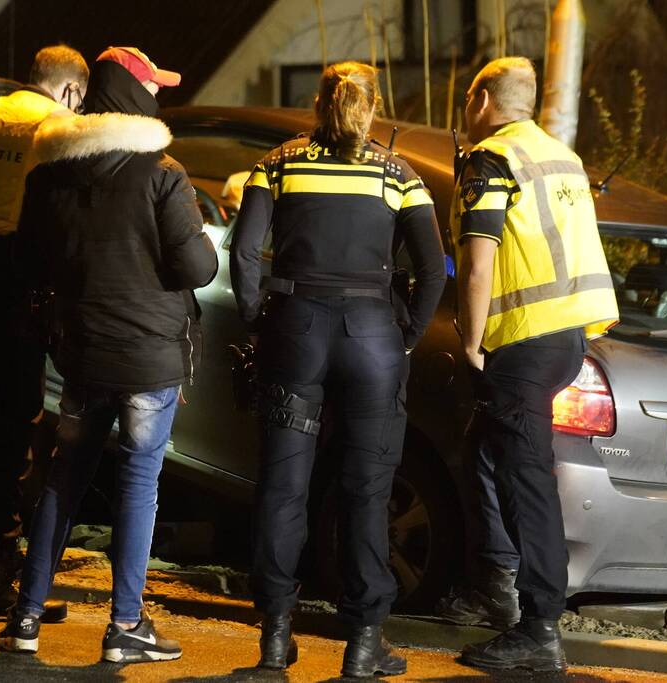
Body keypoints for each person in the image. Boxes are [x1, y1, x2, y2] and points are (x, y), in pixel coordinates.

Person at [0, 47, 217, 663]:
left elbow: (25, 265)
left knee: (63, 480)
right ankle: (124, 626)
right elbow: (199, 267)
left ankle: (25, 618)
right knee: (138, 483)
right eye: (155, 86)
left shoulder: (48, 175)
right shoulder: (162, 173)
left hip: (81, 356)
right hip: (149, 360)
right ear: (137, 95)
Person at [230, 61, 446, 679]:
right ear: (372, 107)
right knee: (367, 490)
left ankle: (274, 640)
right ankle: (364, 643)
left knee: (283, 487)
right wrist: (402, 336)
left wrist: (256, 319)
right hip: (372, 336)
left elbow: (244, 252)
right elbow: (433, 271)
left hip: (295, 332)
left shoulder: (277, 163)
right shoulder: (397, 174)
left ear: (317, 103)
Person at [450, 57, 619, 673]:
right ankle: (495, 582)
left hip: (522, 338)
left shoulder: (493, 158)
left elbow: (478, 259)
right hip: (568, 335)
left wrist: (471, 340)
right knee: (486, 455)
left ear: (481, 99)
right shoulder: (561, 156)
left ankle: (538, 628)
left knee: (527, 481)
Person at [0, 44, 88, 622]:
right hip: (12, 280)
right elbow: (61, 216)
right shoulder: (53, 125)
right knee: (16, 425)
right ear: (72, 90)